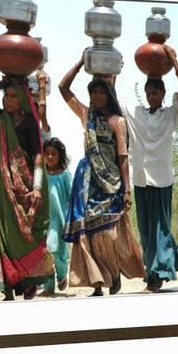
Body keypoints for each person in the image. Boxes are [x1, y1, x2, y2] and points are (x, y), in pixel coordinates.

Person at [59, 53, 145, 297]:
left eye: (101, 92)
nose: (97, 97)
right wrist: (79, 63)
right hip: (87, 181)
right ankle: (97, 281)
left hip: (112, 182)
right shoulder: (87, 115)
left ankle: (114, 273)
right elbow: (63, 89)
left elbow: (122, 157)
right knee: (88, 232)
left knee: (108, 233)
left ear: (109, 95)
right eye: (93, 92)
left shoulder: (118, 122)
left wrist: (127, 189)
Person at [0, 76, 55, 301]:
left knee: (26, 235)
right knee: (5, 235)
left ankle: (28, 281)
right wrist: (6, 81)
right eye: (6, 96)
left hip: (26, 185)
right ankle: (8, 287)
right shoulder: (0, 118)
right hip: (3, 186)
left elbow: (38, 154)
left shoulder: (29, 123)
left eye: (13, 97)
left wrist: (37, 187)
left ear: (22, 100)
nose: (8, 101)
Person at [120, 44, 178, 293]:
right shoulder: (135, 113)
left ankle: (156, 277)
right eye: (148, 93)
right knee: (147, 231)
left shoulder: (171, 115)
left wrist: (173, 59)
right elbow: (114, 98)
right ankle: (158, 269)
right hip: (140, 181)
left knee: (161, 229)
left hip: (162, 180)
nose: (151, 96)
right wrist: (115, 69)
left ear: (162, 94)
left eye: (156, 93)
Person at [40, 137, 72, 296]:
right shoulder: (41, 175)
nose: (50, 157)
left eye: (54, 154)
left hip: (60, 219)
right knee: (46, 251)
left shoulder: (65, 175)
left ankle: (61, 272)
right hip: (44, 220)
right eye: (47, 154)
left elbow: (72, 196)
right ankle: (48, 286)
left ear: (60, 155)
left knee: (54, 250)